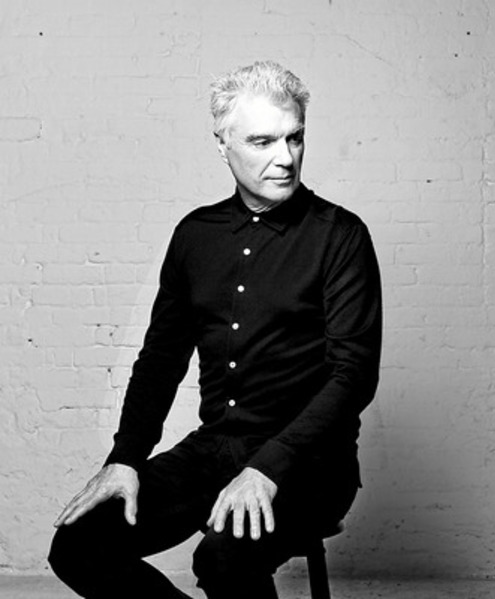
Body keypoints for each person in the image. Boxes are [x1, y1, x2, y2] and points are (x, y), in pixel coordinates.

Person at [48, 60, 382, 599]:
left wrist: (268, 468)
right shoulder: (195, 236)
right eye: (262, 141)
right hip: (214, 452)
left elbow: (354, 375)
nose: (285, 157)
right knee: (78, 545)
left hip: (311, 464)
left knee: (224, 558)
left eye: (295, 137)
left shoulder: (340, 236)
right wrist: (126, 458)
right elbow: (160, 360)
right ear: (222, 144)